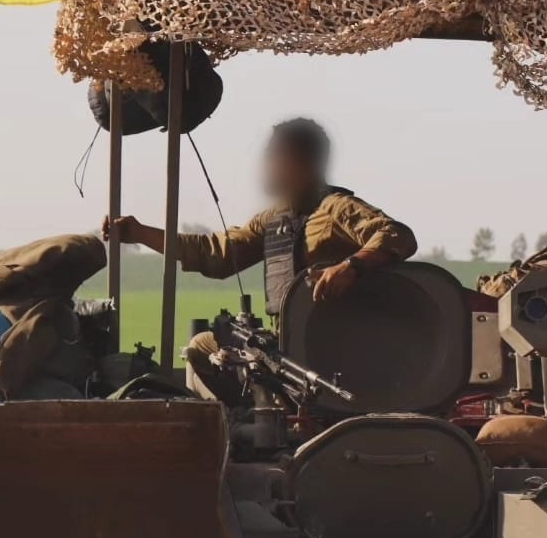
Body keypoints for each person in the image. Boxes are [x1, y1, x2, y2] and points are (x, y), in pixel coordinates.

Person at [103, 117, 417, 404]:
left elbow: (396, 234)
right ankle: (246, 418)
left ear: (300, 162)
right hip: (284, 346)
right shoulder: (274, 218)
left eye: (274, 157)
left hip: (333, 348)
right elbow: (217, 254)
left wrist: (351, 267)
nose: (267, 166)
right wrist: (141, 233)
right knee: (203, 346)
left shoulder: (337, 208)